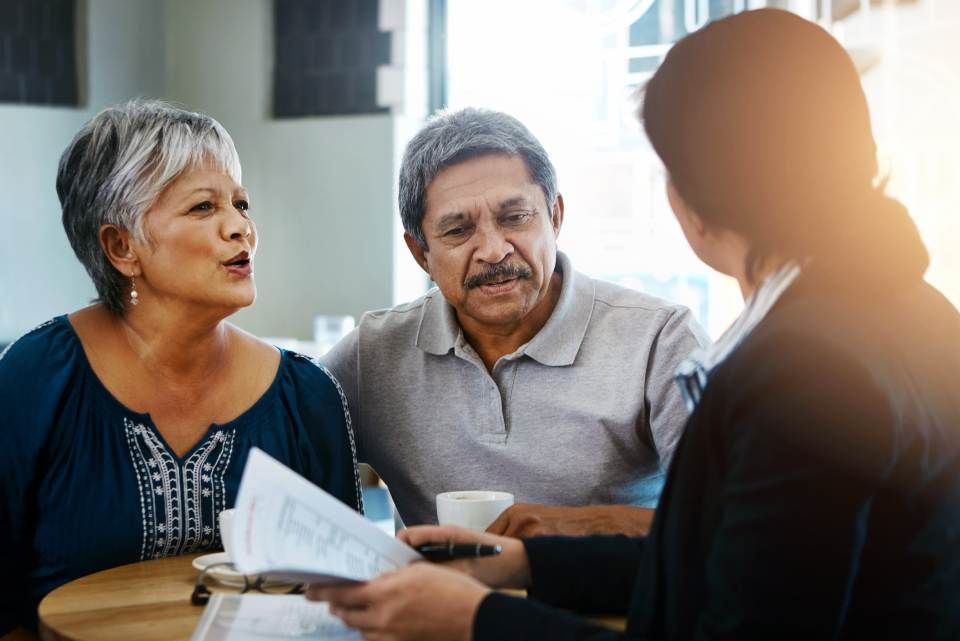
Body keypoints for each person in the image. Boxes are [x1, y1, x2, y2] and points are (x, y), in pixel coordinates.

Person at [307, 9, 960, 640]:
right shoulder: (913, 312)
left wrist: (475, 619)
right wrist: (526, 564)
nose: (495, 249)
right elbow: (737, 569)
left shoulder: (805, 372)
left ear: (696, 198)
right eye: (458, 229)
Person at [0, 100, 363, 636]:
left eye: (241, 203)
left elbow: (348, 602)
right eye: (203, 208)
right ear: (121, 247)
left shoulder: (307, 397)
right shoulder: (36, 379)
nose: (241, 228)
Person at [322, 107, 708, 537]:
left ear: (555, 217)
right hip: (438, 604)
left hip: (610, 604)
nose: (493, 250)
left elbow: (729, 524)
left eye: (514, 217)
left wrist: (579, 526)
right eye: (457, 230)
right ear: (421, 254)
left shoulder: (661, 339)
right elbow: (262, 441)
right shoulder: (373, 355)